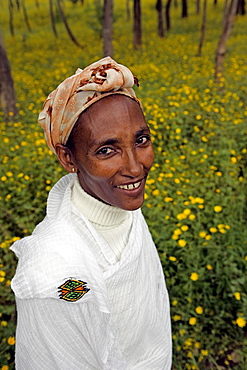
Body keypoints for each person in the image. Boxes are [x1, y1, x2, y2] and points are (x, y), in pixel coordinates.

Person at [11, 57, 172, 369]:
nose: (135, 167)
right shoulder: (52, 270)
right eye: (106, 150)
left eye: (141, 140)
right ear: (67, 157)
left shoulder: (119, 206)